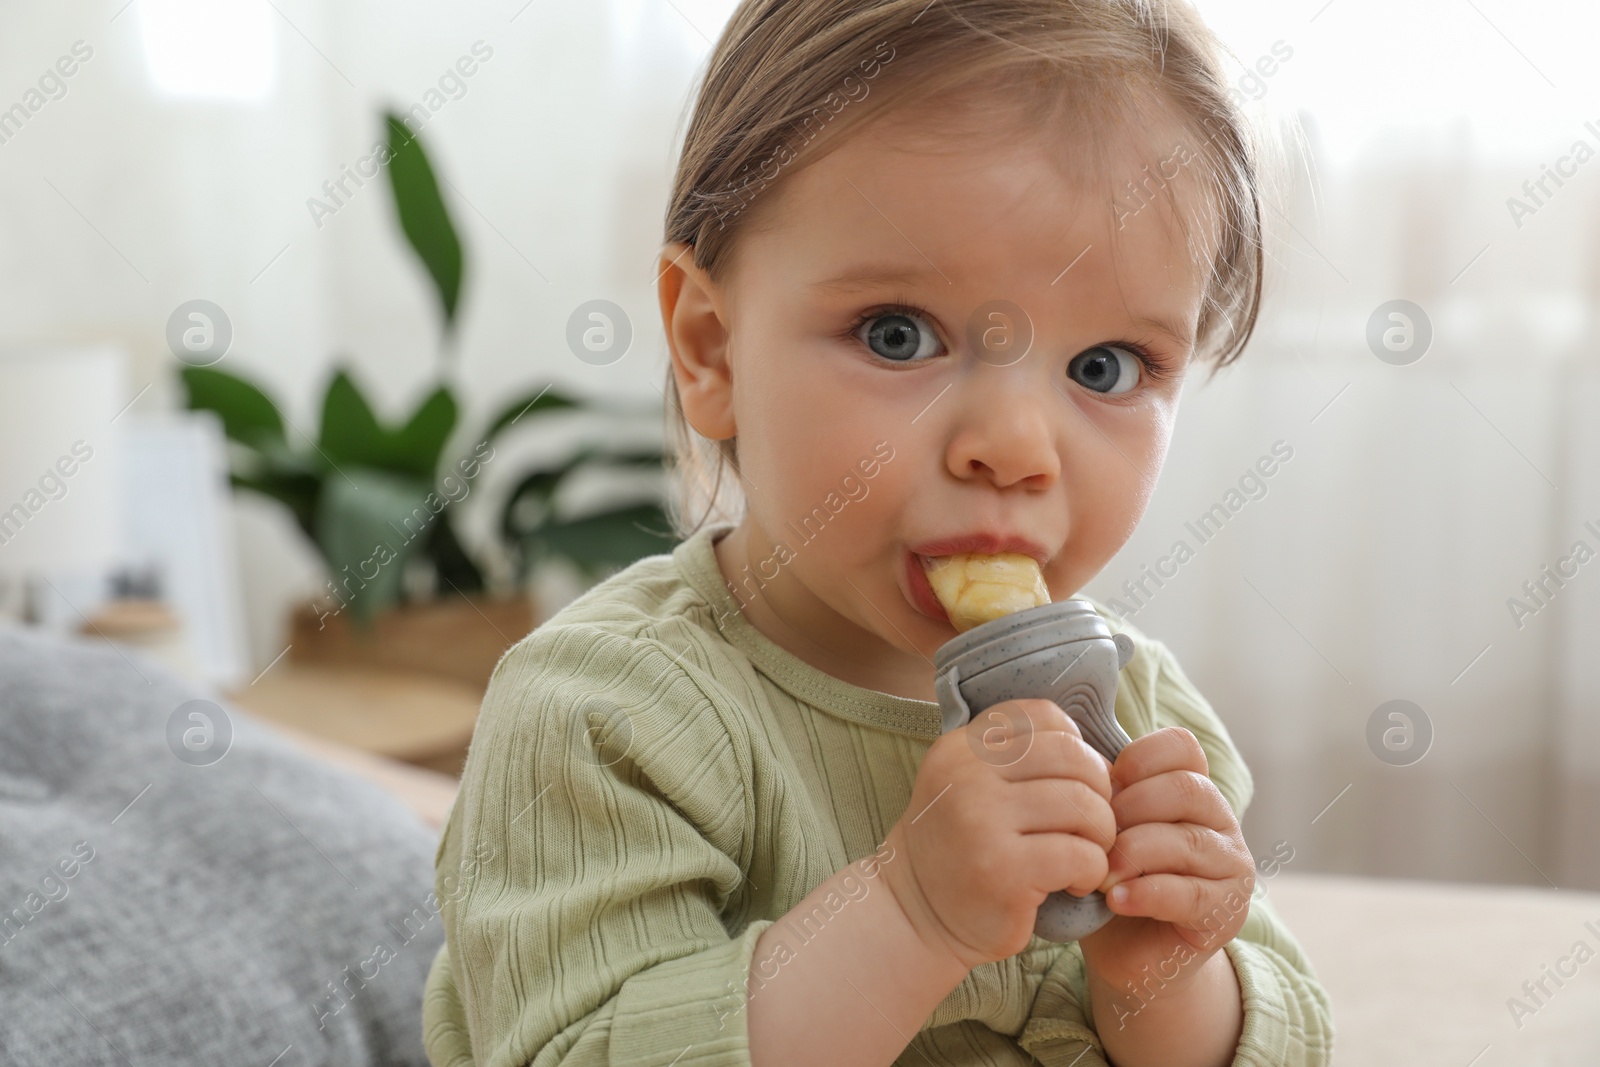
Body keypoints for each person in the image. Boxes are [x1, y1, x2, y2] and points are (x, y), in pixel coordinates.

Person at [423, 1, 1334, 1064]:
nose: (1011, 445)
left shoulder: (1130, 706)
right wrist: (909, 914)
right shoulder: (608, 716)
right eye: (899, 335)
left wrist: (1166, 972)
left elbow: (1283, 1040)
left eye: (1106, 367)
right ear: (711, 349)